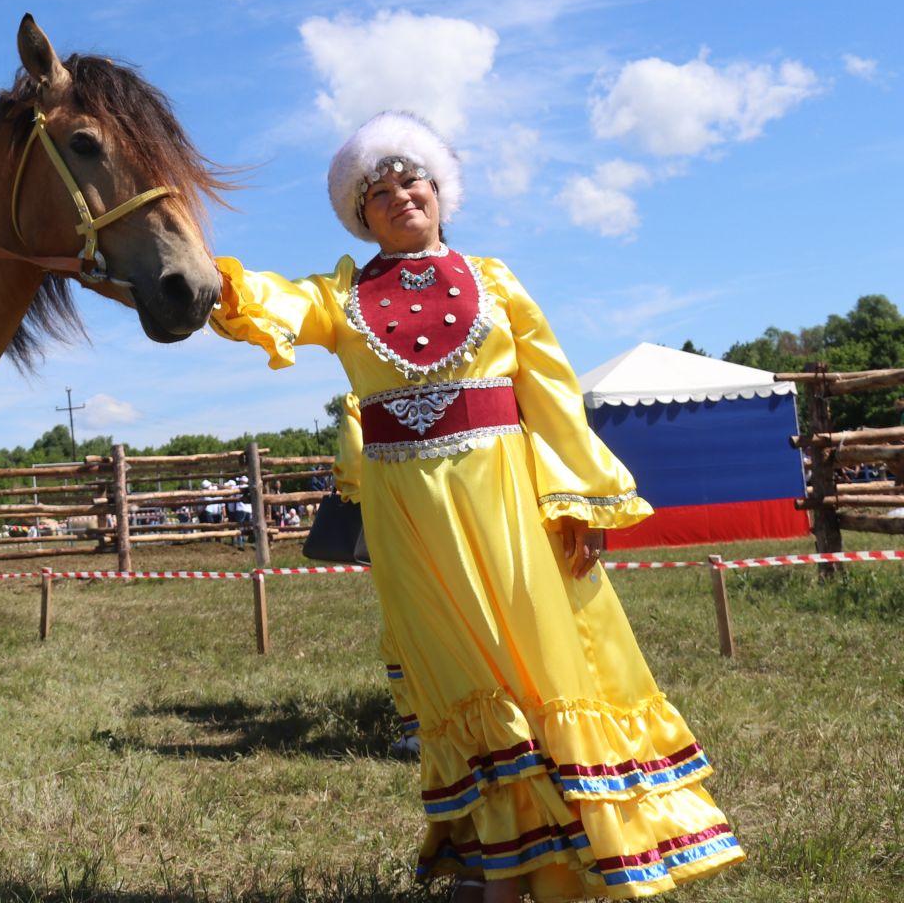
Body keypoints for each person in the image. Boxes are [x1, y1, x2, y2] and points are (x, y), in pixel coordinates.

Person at [211, 111, 742, 901]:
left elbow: (551, 392)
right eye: (377, 191)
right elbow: (276, 304)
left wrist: (580, 500)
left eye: (411, 180)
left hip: (506, 503)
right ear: (360, 215)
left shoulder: (496, 281)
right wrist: (208, 275)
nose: (399, 196)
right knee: (461, 677)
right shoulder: (341, 296)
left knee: (538, 662)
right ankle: (500, 861)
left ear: (440, 191)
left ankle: (578, 856)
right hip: (409, 516)